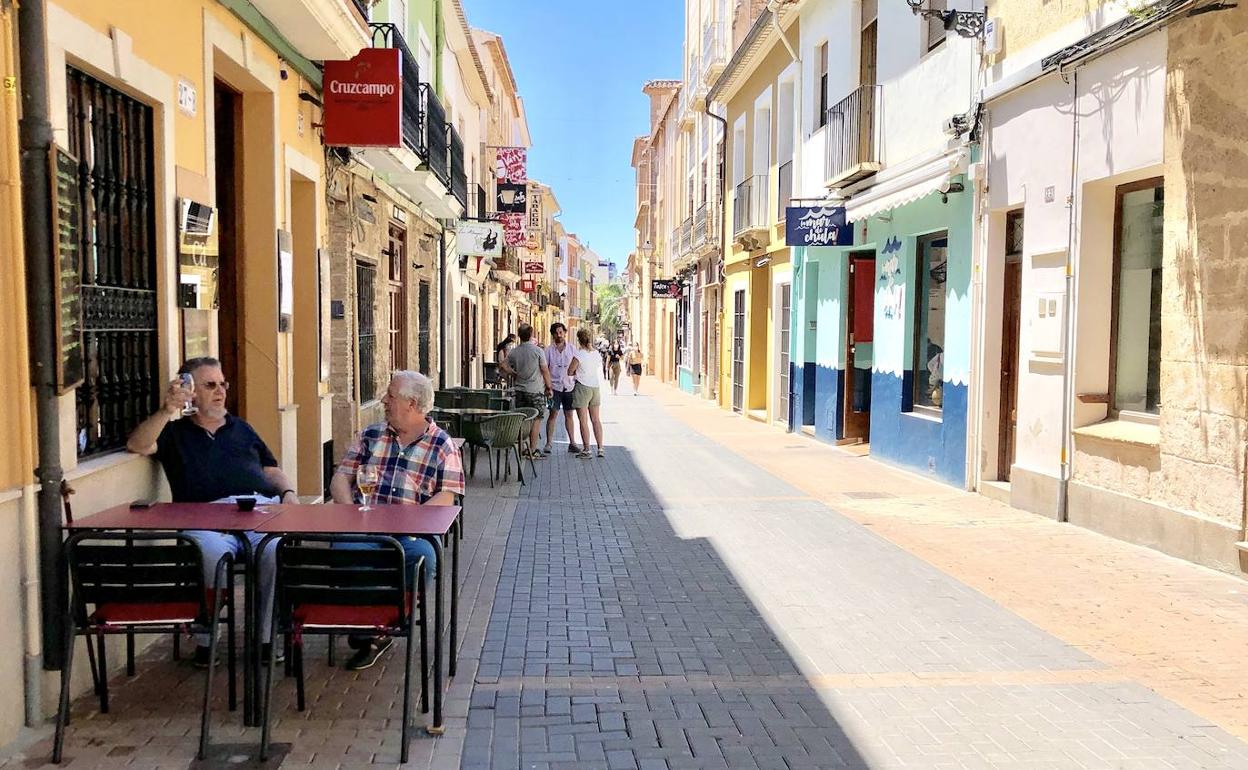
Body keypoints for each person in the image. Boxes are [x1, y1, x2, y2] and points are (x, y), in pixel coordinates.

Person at [126, 357, 297, 667]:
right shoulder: (174, 432)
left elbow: (270, 470)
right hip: (204, 519)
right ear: (190, 391)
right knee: (209, 553)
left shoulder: (241, 428)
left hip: (257, 511)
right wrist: (166, 410)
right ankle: (207, 638)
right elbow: (138, 445)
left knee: (276, 550)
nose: (220, 391)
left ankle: (266, 640)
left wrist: (288, 493)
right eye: (210, 385)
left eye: (222, 384)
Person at [329, 371, 466, 670]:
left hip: (410, 533)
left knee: (422, 558)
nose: (383, 401)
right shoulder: (370, 435)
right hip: (365, 525)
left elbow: (447, 497)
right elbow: (341, 479)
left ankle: (383, 623)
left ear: (412, 404)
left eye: (390, 396)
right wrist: (352, 510)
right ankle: (370, 624)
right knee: (345, 550)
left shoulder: (443, 445)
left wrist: (411, 522)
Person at [499, 322, 553, 457]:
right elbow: (545, 370)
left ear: (519, 335)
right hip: (536, 391)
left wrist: (513, 373)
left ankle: (522, 448)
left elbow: (503, 366)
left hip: (520, 390)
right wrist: (549, 387)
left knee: (522, 419)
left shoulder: (514, 352)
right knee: (537, 419)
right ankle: (533, 450)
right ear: (531, 335)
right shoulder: (538, 351)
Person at [567, 328, 605, 458]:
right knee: (596, 420)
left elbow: (570, 371)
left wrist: (575, 372)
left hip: (582, 387)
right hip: (595, 388)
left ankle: (587, 449)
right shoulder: (596, 353)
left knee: (583, 421)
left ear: (579, 339)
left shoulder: (579, 354)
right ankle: (600, 448)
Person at [544, 322, 580, 454]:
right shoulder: (548, 351)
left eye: (561, 332)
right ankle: (548, 443)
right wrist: (547, 388)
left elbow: (577, 366)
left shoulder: (572, 349)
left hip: (569, 387)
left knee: (569, 415)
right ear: (553, 334)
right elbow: (545, 369)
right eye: (556, 333)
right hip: (554, 388)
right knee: (552, 414)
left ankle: (572, 442)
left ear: (565, 333)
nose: (559, 335)